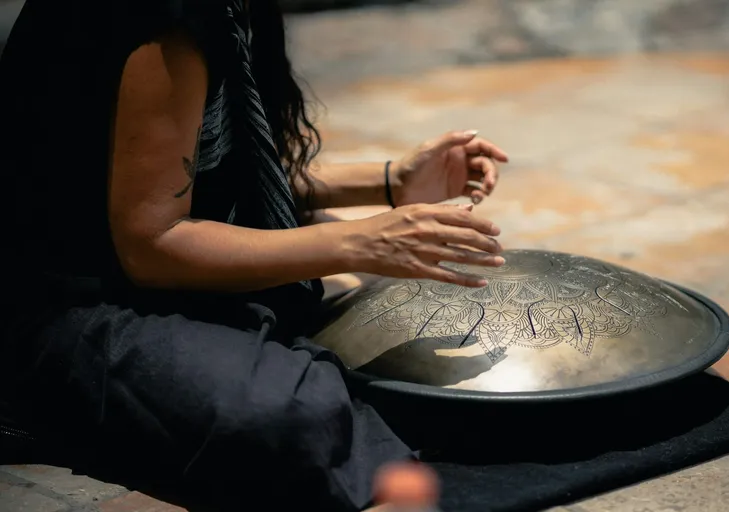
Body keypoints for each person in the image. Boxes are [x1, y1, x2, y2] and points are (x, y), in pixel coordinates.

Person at [0, 0, 508, 510]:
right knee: (294, 412)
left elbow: (210, 184)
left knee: (369, 326)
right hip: (56, 306)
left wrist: (389, 180)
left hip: (145, 271)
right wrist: (359, 241)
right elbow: (152, 245)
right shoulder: (153, 15)